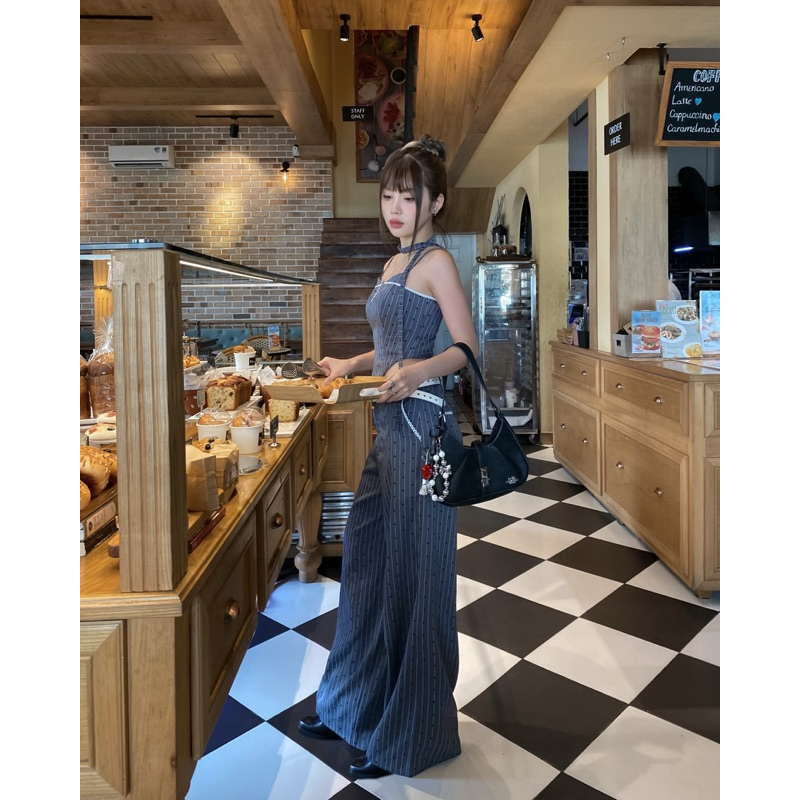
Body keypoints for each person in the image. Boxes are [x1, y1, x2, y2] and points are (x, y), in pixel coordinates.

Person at [297, 135, 478, 779]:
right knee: (368, 566)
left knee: (414, 576)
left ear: (436, 202)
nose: (395, 208)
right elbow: (392, 343)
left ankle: (410, 732)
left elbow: (465, 348)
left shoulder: (437, 262)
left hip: (422, 432)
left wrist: (418, 372)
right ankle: (351, 705)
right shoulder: (393, 261)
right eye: (389, 196)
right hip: (387, 433)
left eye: (408, 196)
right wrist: (351, 362)